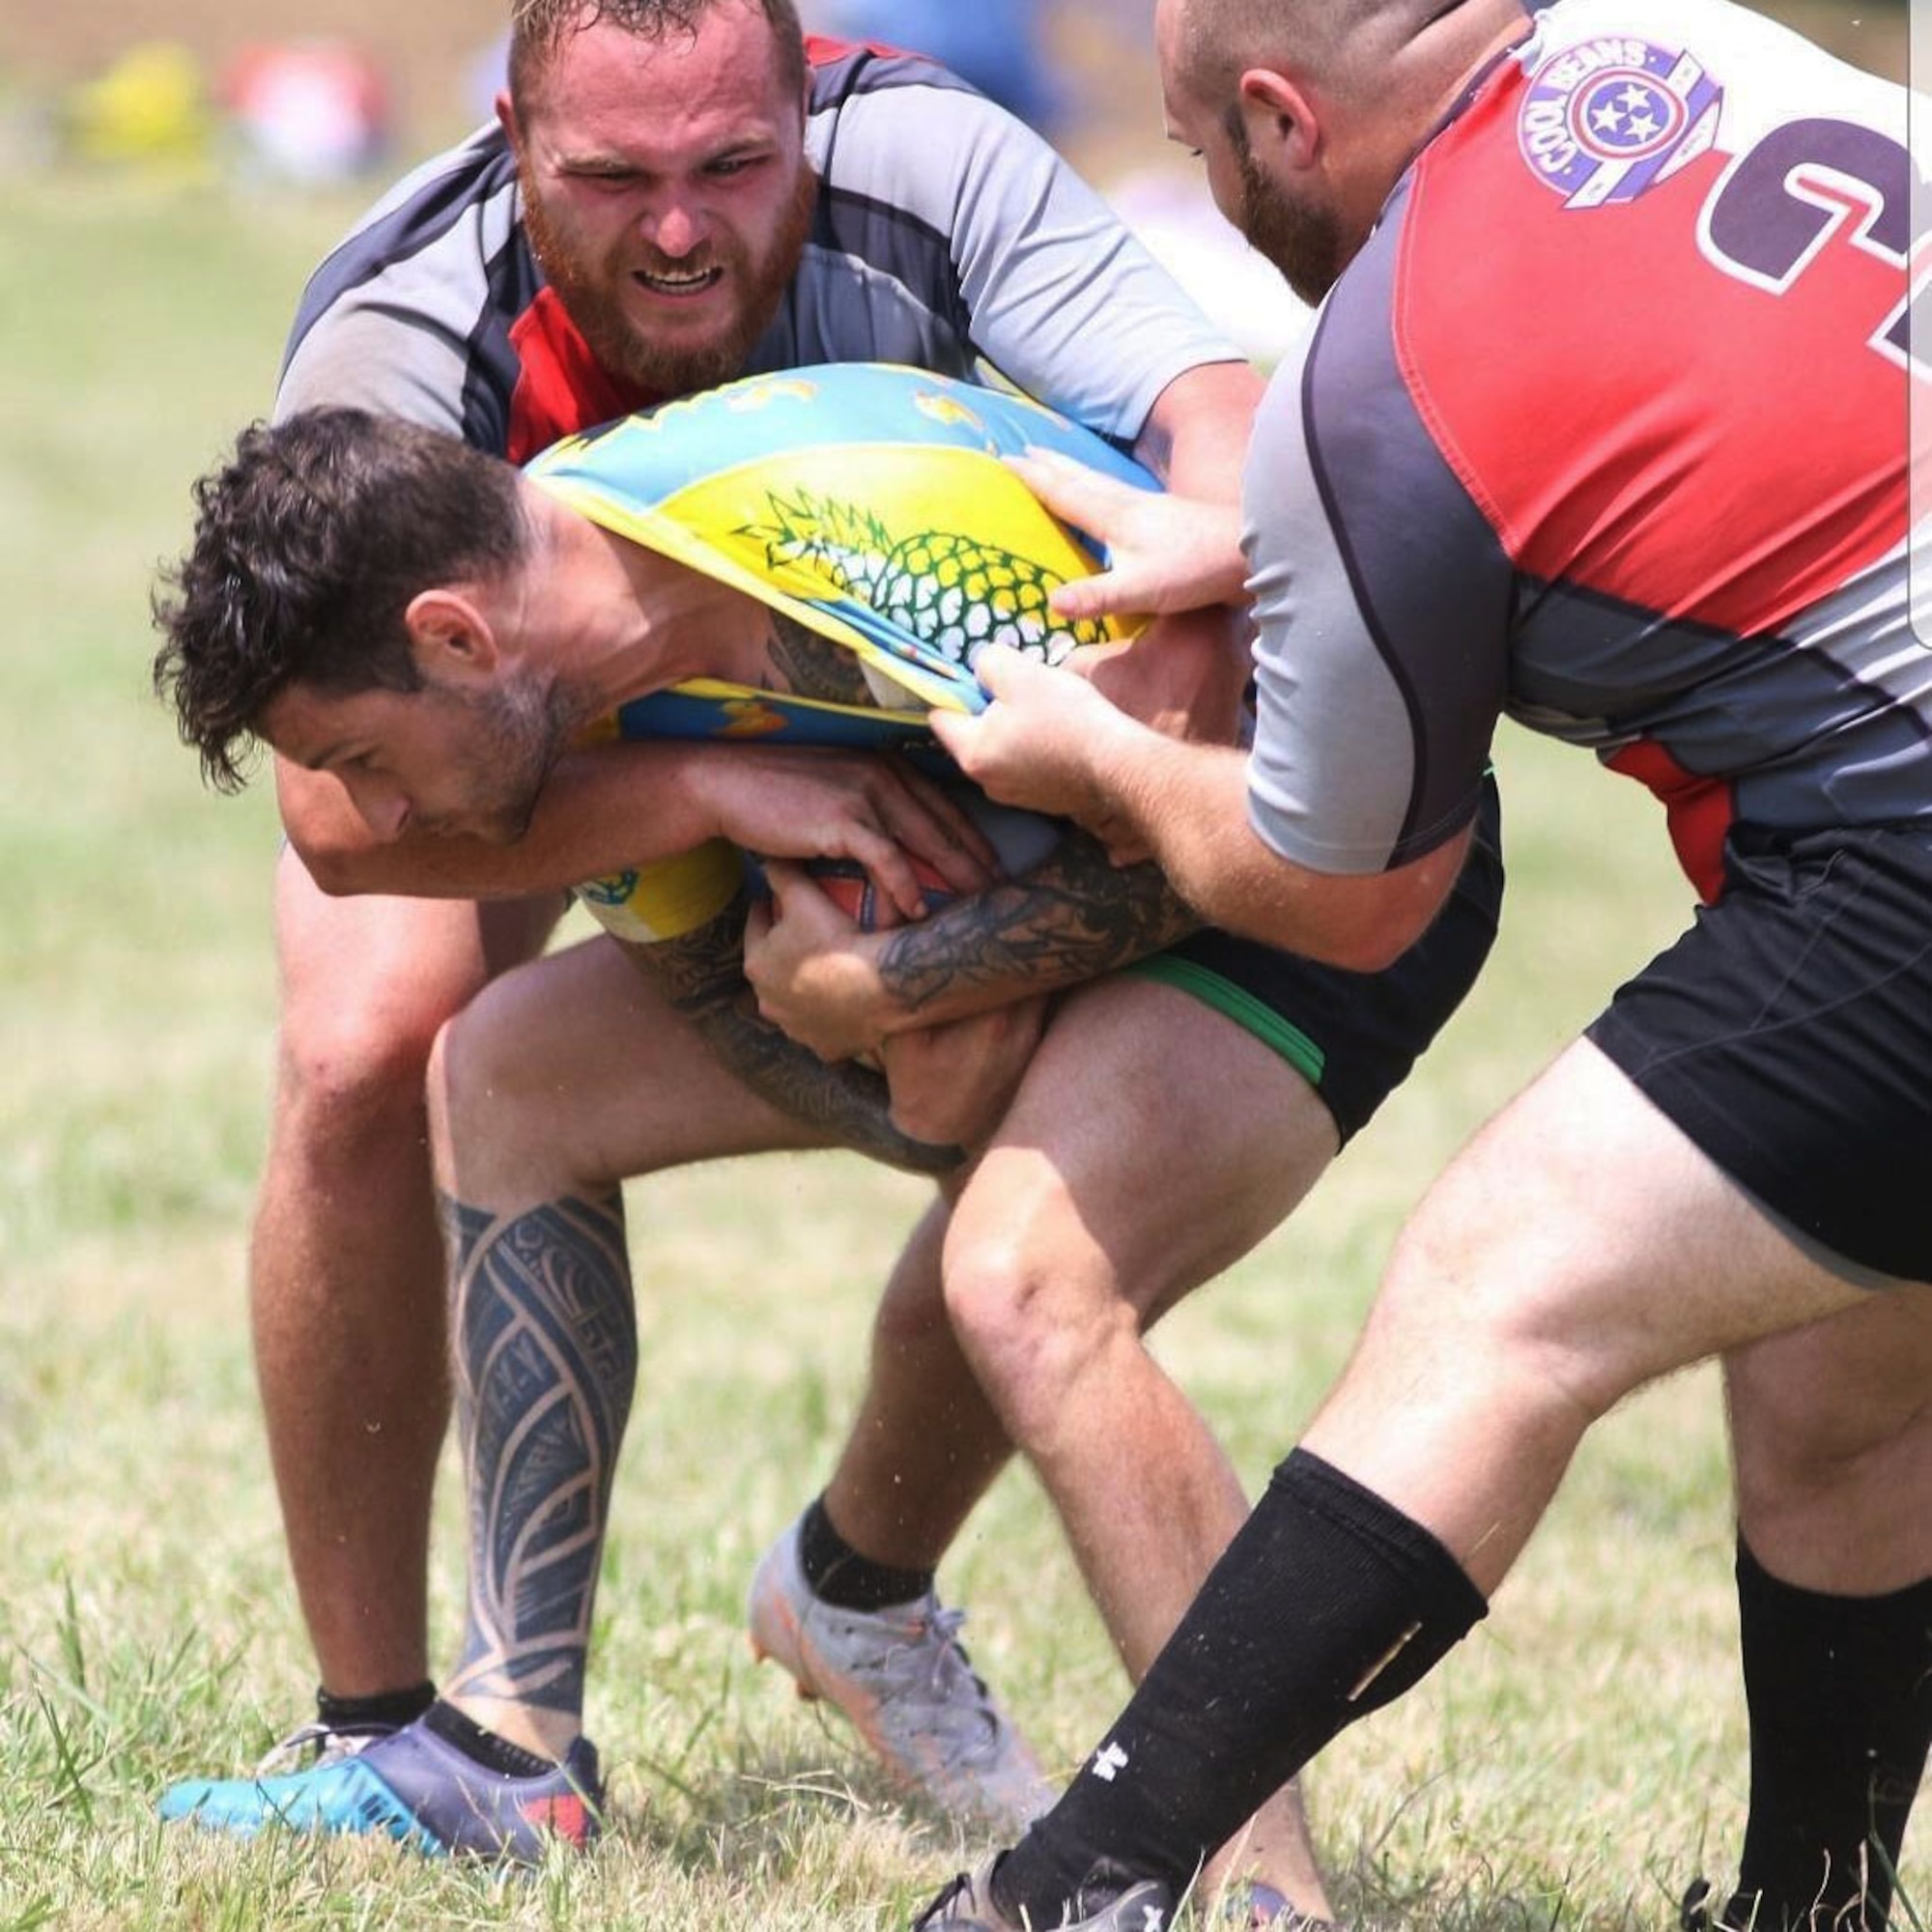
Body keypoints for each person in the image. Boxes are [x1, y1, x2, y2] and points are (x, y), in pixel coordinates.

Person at [151, 367, 1503, 1915]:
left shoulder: (872, 543)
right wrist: (750, 837)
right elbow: (784, 1038)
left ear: (457, 636)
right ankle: (511, 1748)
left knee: (1021, 1277)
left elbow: (1242, 842)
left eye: (376, 761)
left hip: (1339, 883)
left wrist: (885, 986)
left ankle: (1269, 1896)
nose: (381, 819)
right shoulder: (574, 664)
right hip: (1082, 891)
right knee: (510, 1072)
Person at [178, 0, 1282, 1858]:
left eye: (732, 168)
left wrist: (1213, 585)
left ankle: (864, 1582)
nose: (680, 229)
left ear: (811, 113)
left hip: (924, 679)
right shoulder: (405, 325)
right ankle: (398, 1729)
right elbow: (333, 805)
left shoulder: (930, 162)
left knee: (968, 1071)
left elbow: (1220, 412)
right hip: (524, 715)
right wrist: (702, 797)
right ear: (515, 139)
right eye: (613, 178)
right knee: (376, 1046)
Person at [899, 1, 1932, 1927]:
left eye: (1204, 147)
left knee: (1493, 1300)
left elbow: (1338, 889)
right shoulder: (1686, 38)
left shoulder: (1381, 379)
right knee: (1841, 1382)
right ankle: (1818, 1905)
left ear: (1279, 119)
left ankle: (1085, 1885)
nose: (1210, 182)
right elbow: (1697, 399)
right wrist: (1271, 540)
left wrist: (1098, 759)